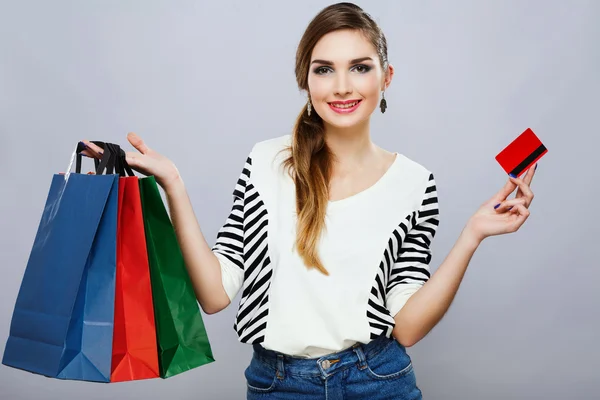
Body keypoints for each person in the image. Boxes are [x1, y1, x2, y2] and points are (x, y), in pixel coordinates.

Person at [82, 3, 536, 399]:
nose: (342, 86)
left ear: (386, 77)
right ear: (306, 79)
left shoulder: (415, 183)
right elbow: (215, 294)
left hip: (378, 380)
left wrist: (472, 236)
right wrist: (173, 184)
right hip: (277, 384)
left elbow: (409, 326)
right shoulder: (266, 162)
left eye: (360, 67)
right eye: (324, 69)